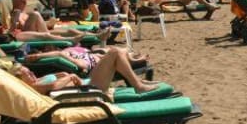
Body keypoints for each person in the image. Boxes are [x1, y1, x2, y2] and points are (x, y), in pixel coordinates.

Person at [21, 45, 159, 93]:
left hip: (84, 84)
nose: (32, 72)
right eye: (28, 73)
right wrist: (70, 77)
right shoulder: (34, 86)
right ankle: (138, 85)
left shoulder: (37, 81)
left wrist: (63, 75)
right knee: (115, 52)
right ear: (23, 81)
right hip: (87, 89)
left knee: (116, 52)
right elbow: (54, 86)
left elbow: (57, 79)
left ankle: (138, 83)